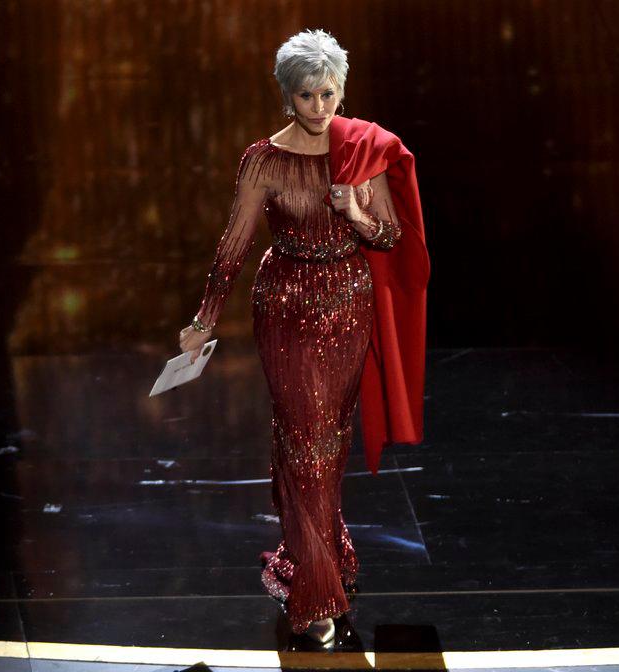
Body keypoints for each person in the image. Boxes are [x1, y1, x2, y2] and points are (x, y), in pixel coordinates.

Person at [177, 29, 430, 644]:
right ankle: (316, 594)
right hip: (285, 305)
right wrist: (205, 319)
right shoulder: (263, 160)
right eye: (308, 96)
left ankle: (325, 559)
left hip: (347, 305)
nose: (322, 107)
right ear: (286, 98)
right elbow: (233, 246)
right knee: (303, 437)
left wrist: (357, 213)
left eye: (330, 93)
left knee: (329, 441)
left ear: (342, 91)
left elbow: (391, 238)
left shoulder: (360, 151)